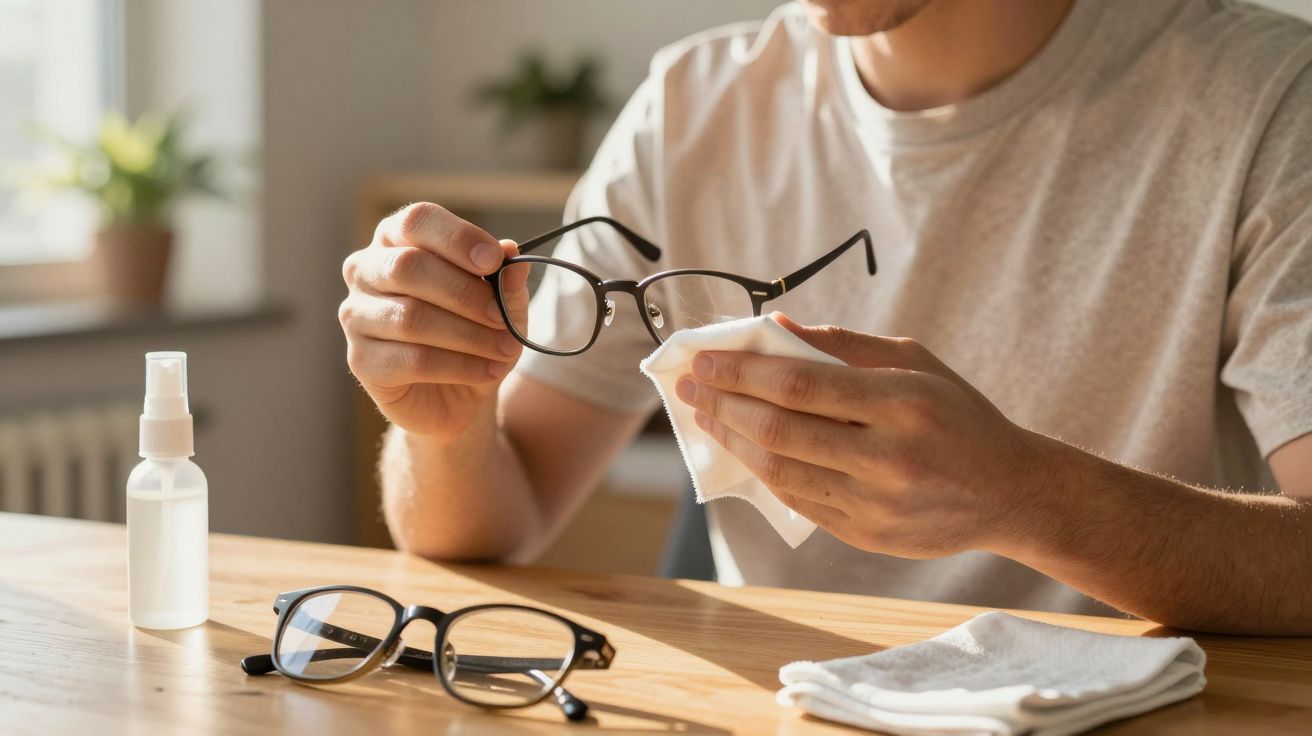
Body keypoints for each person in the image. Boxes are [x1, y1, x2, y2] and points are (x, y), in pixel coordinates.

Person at [337, 0, 1312, 635]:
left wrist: (1026, 494)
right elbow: (481, 536)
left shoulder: (1268, 100)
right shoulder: (688, 108)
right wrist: (450, 425)